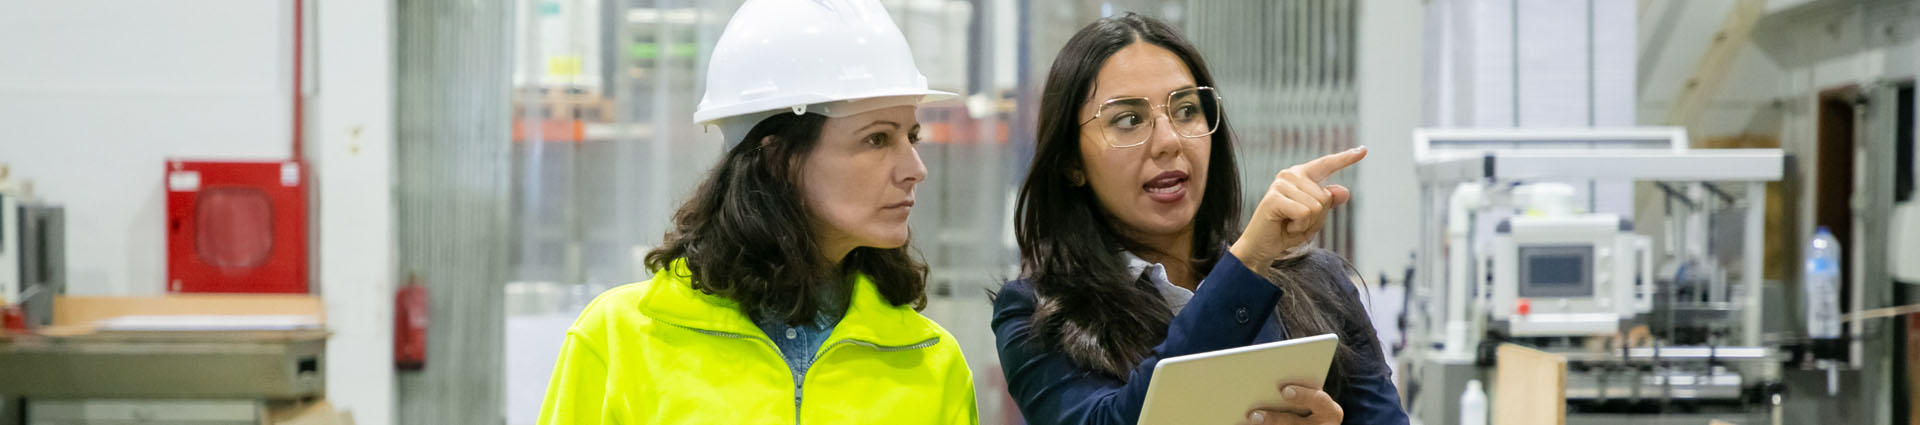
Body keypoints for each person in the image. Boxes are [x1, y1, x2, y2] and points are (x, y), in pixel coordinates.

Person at [538, 0, 976, 423]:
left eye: (911, 137)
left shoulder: (932, 363)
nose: (914, 170)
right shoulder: (619, 341)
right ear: (778, 156)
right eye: (877, 139)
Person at [991, 13, 1408, 425]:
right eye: (1129, 120)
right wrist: (1248, 263)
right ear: (1070, 162)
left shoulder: (1319, 285)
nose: (1169, 141)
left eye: (1186, 109)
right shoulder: (1039, 314)